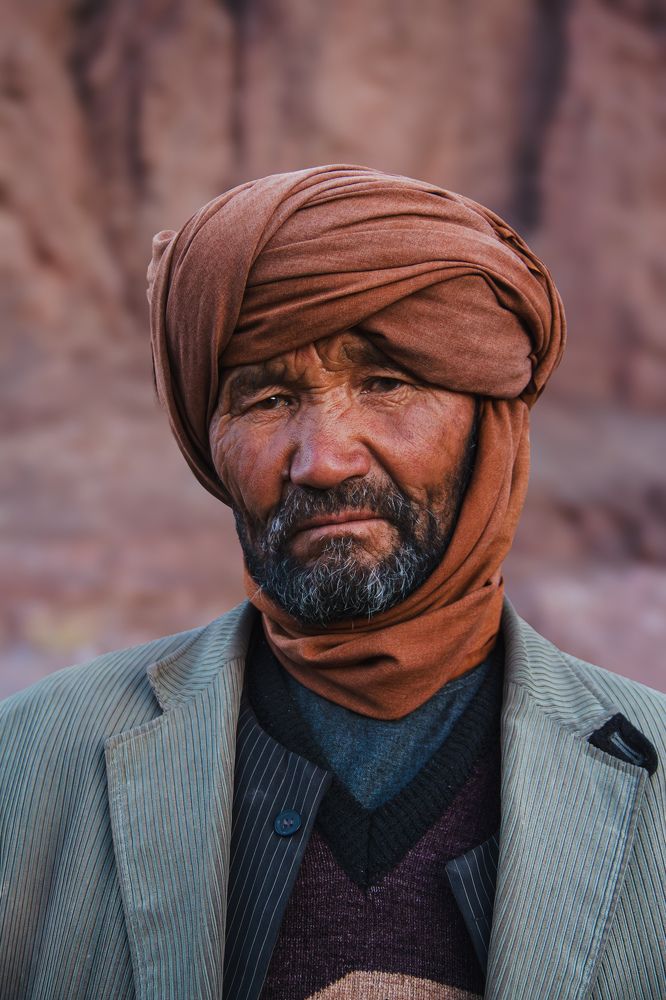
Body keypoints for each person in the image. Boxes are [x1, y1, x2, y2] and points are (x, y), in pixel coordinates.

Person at [0, 165, 663, 1000]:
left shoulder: (655, 780)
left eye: (386, 384)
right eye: (268, 397)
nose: (322, 461)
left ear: (489, 428)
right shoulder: (25, 768)